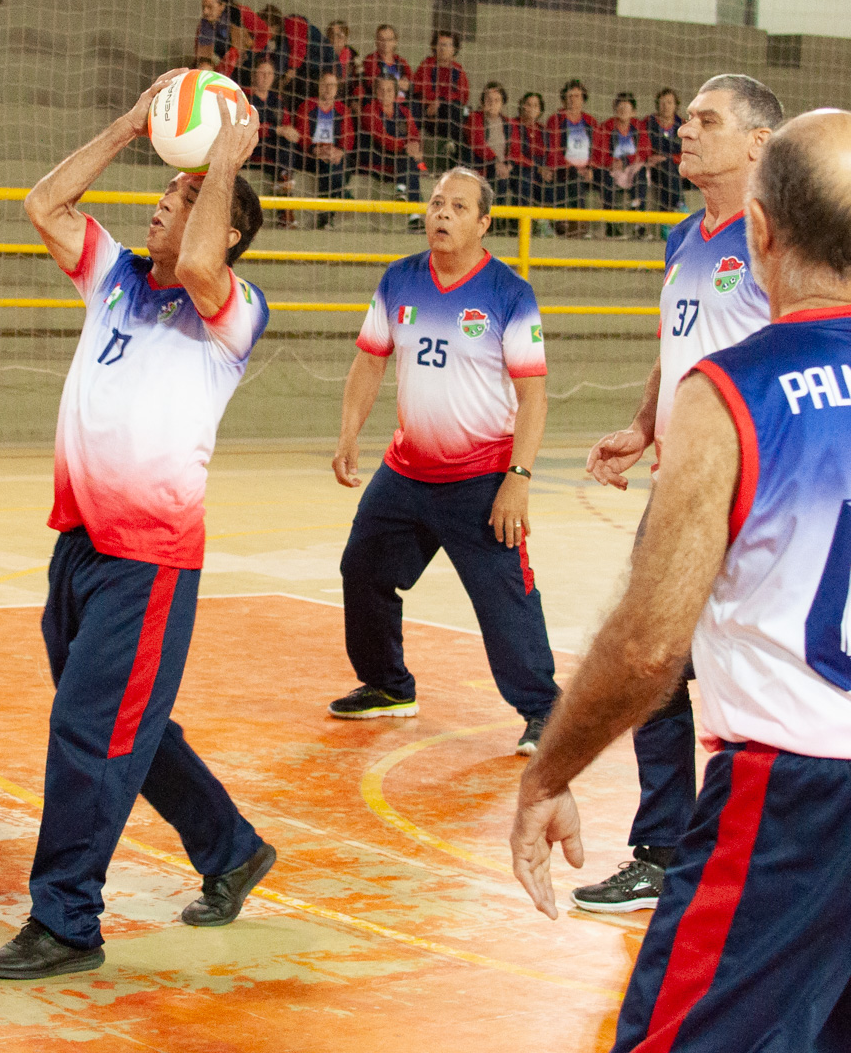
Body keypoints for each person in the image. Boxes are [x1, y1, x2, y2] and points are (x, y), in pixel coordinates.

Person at [511, 107, 851, 1053]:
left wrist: (549, 772)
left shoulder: (729, 391)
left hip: (794, 793)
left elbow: (644, 649)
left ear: (759, 228)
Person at [0, 71, 278, 981]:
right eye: (163, 189)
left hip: (148, 560)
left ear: (225, 229)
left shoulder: (232, 309)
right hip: (79, 546)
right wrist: (129, 125)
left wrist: (219, 157)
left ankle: (67, 921)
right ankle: (229, 849)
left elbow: (195, 264)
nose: (162, 203)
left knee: (89, 734)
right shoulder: (112, 276)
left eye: (184, 198)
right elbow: (44, 201)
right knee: (119, 725)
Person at [571, 74, 784, 915]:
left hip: (752, 499)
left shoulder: (780, 239)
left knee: (751, 674)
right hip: (676, 490)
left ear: (759, 143)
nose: (684, 131)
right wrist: (645, 425)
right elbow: (680, 343)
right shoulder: (681, 238)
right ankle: (663, 850)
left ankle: (756, 853)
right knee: (648, 669)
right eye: (687, 119)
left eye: (706, 120)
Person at [328, 167, 557, 755]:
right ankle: (387, 685)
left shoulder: (509, 294)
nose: (442, 215)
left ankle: (543, 711)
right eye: (435, 204)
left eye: (458, 207)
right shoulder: (399, 279)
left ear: (483, 223)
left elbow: (533, 394)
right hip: (406, 471)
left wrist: (519, 479)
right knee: (364, 570)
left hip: (481, 478)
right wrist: (348, 434)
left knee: (504, 599)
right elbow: (370, 361)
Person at [360, 75, 424, 229]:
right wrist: (406, 146)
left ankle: (403, 192)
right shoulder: (369, 110)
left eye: (389, 90)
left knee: (412, 162)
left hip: (401, 159)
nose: (385, 93)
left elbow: (414, 135)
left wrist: (415, 147)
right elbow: (381, 139)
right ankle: (412, 212)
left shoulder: (403, 111)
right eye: (381, 90)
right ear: (375, 91)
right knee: (409, 159)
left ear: (395, 92)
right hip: (377, 157)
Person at [296, 69, 354, 228]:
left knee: (332, 166)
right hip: (311, 154)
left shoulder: (343, 110)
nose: (328, 89)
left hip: (334, 155)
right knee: (327, 166)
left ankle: (325, 218)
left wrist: (338, 151)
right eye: (325, 85)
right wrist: (315, 150)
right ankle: (344, 196)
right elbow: (302, 132)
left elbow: (349, 137)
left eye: (332, 85)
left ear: (337, 88)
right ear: (318, 86)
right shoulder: (307, 106)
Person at [246, 57, 298, 228]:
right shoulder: (246, 97)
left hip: (276, 150)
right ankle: (286, 211)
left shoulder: (278, 100)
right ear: (254, 75)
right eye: (262, 73)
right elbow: (246, 125)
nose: (265, 77)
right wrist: (276, 130)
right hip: (254, 146)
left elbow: (286, 123)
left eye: (269, 74)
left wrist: (291, 131)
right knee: (282, 150)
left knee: (287, 146)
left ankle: (284, 183)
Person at [543, 79, 598, 235]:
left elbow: (598, 150)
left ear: (583, 99)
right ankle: (576, 225)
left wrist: (590, 168)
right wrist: (573, 167)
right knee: (573, 177)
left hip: (586, 169)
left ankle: (614, 226)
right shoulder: (556, 120)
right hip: (564, 168)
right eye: (570, 96)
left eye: (577, 96)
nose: (573, 100)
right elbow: (553, 151)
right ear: (564, 99)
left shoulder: (590, 122)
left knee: (606, 177)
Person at [596, 92, 651, 238]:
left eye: (627, 108)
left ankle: (638, 219)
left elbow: (645, 150)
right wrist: (611, 162)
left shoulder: (638, 127)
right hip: (612, 168)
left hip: (633, 167)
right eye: (620, 107)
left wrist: (626, 161)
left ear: (634, 111)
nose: (623, 111)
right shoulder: (606, 127)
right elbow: (598, 152)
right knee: (606, 180)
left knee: (640, 173)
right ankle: (611, 224)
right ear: (614, 109)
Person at [466, 81, 520, 228]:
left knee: (523, 180)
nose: (492, 103)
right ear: (483, 102)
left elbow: (515, 148)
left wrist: (508, 165)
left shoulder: (508, 123)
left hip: (504, 167)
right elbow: (477, 143)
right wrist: (496, 162)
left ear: (502, 103)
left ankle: (516, 224)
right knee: (498, 179)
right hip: (483, 165)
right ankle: (493, 222)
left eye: (496, 100)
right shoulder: (475, 118)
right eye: (489, 100)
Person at [414, 30, 470, 145]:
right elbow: (423, 88)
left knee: (456, 109)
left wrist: (441, 100)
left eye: (448, 45)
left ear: (454, 49)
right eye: (441, 44)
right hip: (428, 108)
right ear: (435, 46)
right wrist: (433, 102)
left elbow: (463, 94)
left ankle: (453, 146)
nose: (443, 48)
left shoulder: (458, 70)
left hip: (448, 109)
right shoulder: (427, 65)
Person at [645, 87, 686, 215]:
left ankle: (666, 216)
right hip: (655, 169)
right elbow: (643, 146)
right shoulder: (648, 122)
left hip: (679, 168)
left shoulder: (683, 125)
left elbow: (686, 152)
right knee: (666, 169)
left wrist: (669, 158)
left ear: (675, 105)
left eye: (669, 102)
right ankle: (679, 204)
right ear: (657, 105)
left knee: (668, 167)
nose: (666, 106)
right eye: (662, 103)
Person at [357, 23, 411, 108]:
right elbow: (375, 84)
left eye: (389, 39)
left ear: (395, 41)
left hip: (402, 105)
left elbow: (411, 83)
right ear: (376, 41)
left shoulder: (401, 61)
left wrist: (408, 84)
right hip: (380, 106)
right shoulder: (371, 60)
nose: (385, 43)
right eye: (381, 39)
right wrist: (398, 83)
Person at [513, 91, 548, 210]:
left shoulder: (542, 129)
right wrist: (537, 167)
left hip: (540, 166)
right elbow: (515, 153)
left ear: (540, 110)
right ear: (522, 106)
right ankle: (519, 222)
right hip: (520, 166)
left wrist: (546, 169)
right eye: (528, 104)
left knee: (552, 181)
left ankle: (544, 222)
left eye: (535, 105)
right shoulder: (514, 125)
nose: (532, 108)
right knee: (525, 180)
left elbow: (548, 154)